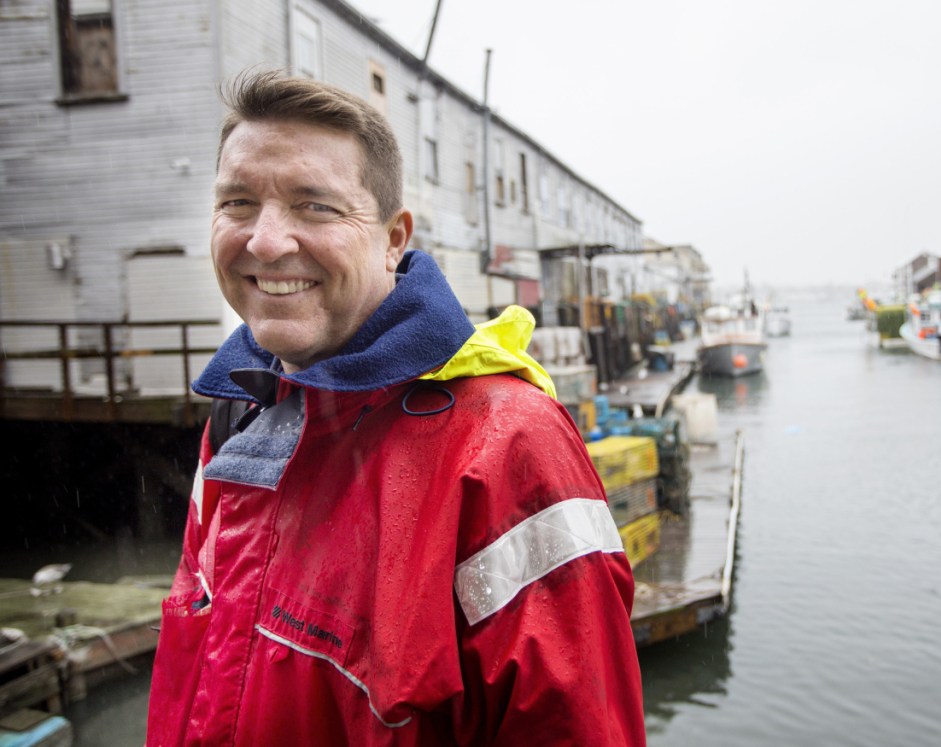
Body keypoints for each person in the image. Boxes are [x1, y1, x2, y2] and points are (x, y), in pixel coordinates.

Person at [146, 69, 646, 746]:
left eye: (313, 205)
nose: (264, 241)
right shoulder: (239, 418)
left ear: (393, 238)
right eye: (237, 202)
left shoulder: (505, 448)